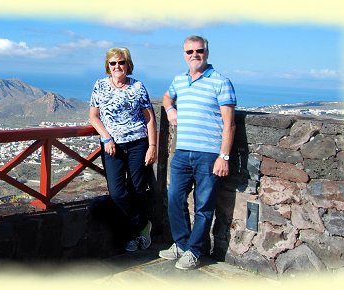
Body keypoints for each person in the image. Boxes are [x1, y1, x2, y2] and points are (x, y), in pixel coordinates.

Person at [159, 35, 236, 270]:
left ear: (207, 52)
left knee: (203, 206)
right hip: (182, 152)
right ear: (184, 54)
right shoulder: (179, 80)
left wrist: (223, 156)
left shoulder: (221, 82)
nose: (195, 55)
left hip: (208, 155)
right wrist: (170, 109)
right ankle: (182, 244)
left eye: (199, 51)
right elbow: (165, 98)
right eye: (190, 51)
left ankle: (194, 251)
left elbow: (229, 123)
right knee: (174, 199)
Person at [89, 47, 157, 252]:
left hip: (138, 144)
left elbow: (150, 118)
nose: (117, 66)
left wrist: (152, 146)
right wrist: (106, 137)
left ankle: (134, 236)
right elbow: (93, 116)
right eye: (113, 63)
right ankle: (143, 225)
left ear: (128, 64)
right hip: (112, 147)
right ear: (107, 66)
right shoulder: (100, 86)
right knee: (118, 193)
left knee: (137, 190)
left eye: (121, 62)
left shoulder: (138, 87)